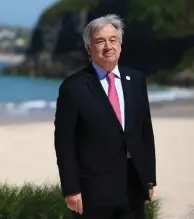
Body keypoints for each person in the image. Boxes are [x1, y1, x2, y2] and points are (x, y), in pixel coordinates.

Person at [54, 14, 156, 219]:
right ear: (89, 49)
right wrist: (71, 189)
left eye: (113, 40)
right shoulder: (74, 87)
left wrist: (150, 178)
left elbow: (145, 131)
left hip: (133, 185)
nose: (108, 46)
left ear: (120, 44)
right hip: (92, 190)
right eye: (100, 41)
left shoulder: (135, 80)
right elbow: (64, 142)